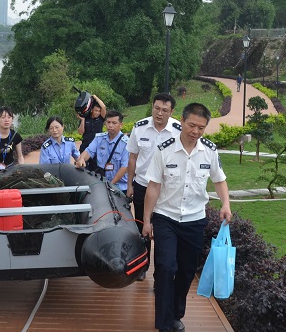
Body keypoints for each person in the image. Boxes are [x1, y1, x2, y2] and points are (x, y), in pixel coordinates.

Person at [142, 103, 232, 332]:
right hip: (166, 218)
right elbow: (153, 186)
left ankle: (175, 315)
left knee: (186, 271)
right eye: (192, 125)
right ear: (181, 121)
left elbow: (219, 180)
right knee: (165, 266)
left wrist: (226, 204)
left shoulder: (209, 150)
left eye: (201, 127)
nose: (196, 131)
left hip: (194, 219)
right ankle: (164, 323)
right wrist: (147, 220)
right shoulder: (164, 149)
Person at [126, 93, 181, 280]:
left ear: (172, 112)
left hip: (167, 189)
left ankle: (161, 273)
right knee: (142, 226)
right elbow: (132, 157)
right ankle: (142, 267)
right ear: (152, 107)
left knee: (164, 229)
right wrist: (129, 185)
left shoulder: (178, 131)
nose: (159, 113)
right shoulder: (140, 127)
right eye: (156, 108)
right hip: (142, 184)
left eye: (165, 110)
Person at [75, 110, 128, 192]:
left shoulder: (126, 143)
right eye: (108, 122)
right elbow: (88, 151)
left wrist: (110, 185)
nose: (110, 125)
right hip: (102, 182)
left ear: (121, 125)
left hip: (119, 185)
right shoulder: (99, 138)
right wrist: (82, 159)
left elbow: (124, 167)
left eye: (114, 123)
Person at [77, 94, 106, 171]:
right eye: (96, 110)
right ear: (92, 110)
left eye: (99, 111)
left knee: (96, 169)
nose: (97, 113)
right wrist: (82, 120)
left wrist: (95, 97)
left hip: (97, 148)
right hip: (85, 146)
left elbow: (103, 107)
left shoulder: (101, 119)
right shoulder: (85, 118)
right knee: (83, 168)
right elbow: (80, 132)